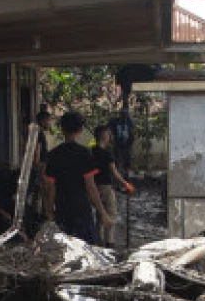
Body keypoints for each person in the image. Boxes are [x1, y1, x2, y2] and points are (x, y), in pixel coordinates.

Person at [44, 111, 112, 244]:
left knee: (64, 252)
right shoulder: (85, 154)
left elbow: (49, 188)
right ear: (80, 130)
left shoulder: (53, 155)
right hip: (82, 211)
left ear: (62, 129)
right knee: (88, 252)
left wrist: (49, 213)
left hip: (62, 211)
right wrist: (103, 213)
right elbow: (91, 187)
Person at [91, 125, 134, 248]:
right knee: (111, 215)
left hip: (92, 187)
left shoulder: (91, 152)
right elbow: (114, 173)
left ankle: (98, 244)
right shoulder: (107, 154)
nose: (110, 137)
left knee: (99, 215)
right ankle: (109, 244)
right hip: (105, 187)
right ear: (104, 136)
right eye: (108, 135)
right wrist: (126, 185)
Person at [108, 103, 136, 175]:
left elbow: (132, 132)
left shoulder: (129, 122)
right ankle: (118, 176)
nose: (124, 116)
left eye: (125, 114)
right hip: (118, 144)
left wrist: (131, 141)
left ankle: (126, 175)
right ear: (120, 114)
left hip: (127, 144)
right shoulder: (115, 121)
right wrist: (111, 139)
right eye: (122, 114)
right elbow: (108, 128)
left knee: (127, 160)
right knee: (117, 160)